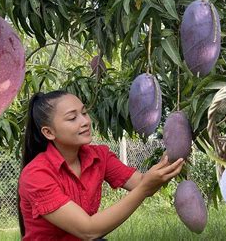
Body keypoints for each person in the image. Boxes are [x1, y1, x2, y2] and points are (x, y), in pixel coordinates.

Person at [18, 90, 185, 240]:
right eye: (72, 117)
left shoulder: (99, 156)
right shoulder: (36, 174)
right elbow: (88, 230)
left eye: (84, 113)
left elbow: (142, 182)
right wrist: (144, 189)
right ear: (49, 132)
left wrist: (175, 153)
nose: (85, 121)